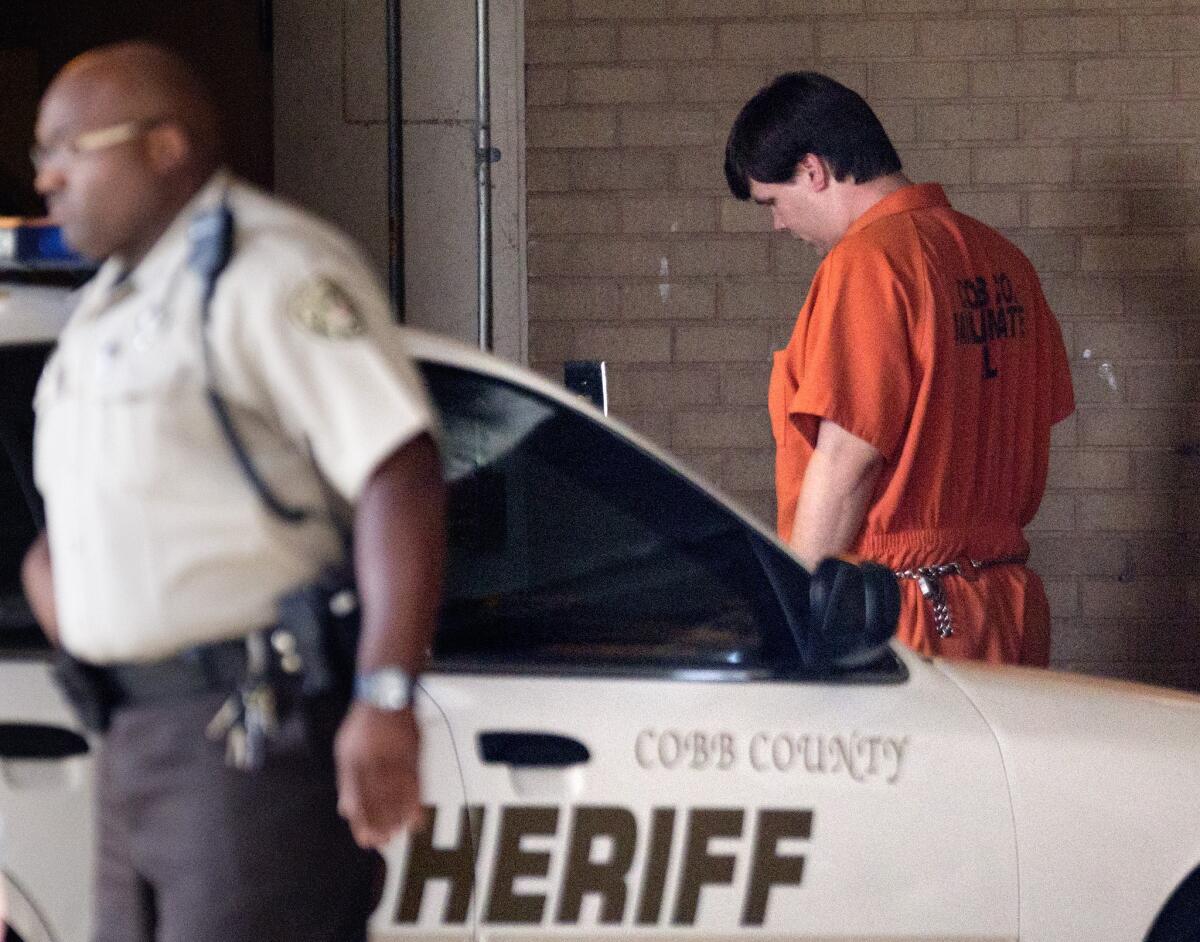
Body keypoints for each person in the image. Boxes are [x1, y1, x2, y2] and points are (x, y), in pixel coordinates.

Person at [20, 41, 446, 941]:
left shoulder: (269, 273)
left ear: (165, 147)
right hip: (134, 740)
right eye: (38, 157)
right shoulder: (106, 311)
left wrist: (387, 695)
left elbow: (396, 470)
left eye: (68, 149)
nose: (47, 178)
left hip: (251, 742)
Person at [725, 72, 1074, 666]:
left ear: (813, 171)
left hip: (897, 616)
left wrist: (793, 622)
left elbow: (848, 460)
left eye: (773, 203)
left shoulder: (869, 264)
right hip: (1005, 610)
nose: (779, 225)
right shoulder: (1003, 262)